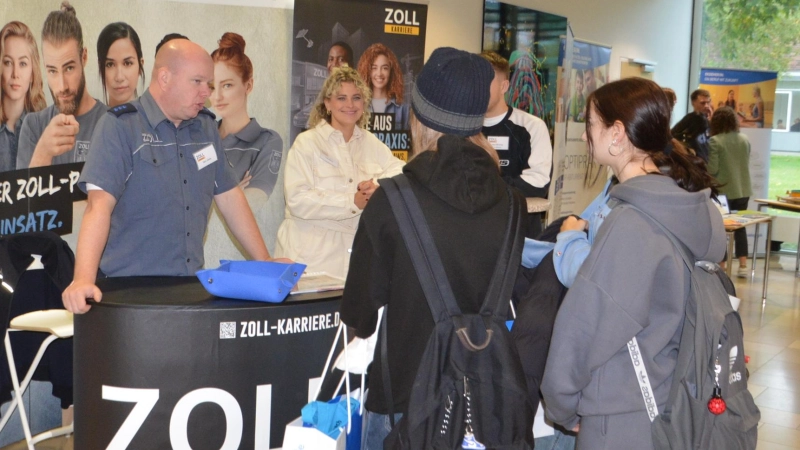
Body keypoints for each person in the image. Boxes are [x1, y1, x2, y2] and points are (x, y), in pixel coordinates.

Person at [340, 47, 533, 449]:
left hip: (401, 405)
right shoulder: (513, 204)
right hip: (485, 409)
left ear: (419, 114)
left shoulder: (391, 200)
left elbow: (359, 311)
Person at [541, 77, 725, 449]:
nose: (583, 136)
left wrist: (560, 406)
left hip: (621, 415)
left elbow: (583, 329)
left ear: (617, 134)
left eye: (590, 125)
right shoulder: (695, 208)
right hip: (676, 402)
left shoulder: (630, 223)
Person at [61, 39, 279, 314]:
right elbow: (97, 207)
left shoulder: (206, 128)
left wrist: (265, 261)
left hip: (190, 288)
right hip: (128, 293)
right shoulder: (121, 127)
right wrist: (82, 279)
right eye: (198, 82)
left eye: (209, 84)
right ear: (164, 78)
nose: (206, 93)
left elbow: (229, 196)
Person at [275, 66, 404, 279]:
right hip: (310, 262)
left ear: (364, 103)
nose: (350, 105)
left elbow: (399, 169)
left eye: (356, 97)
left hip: (355, 263)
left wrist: (376, 185)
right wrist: (351, 202)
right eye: (341, 98)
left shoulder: (372, 144)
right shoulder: (307, 144)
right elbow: (297, 200)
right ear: (327, 103)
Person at [206, 32, 285, 260]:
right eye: (212, 86)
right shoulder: (202, 137)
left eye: (227, 85)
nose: (217, 96)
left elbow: (252, 204)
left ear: (248, 85)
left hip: (245, 260)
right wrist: (232, 191)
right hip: (197, 262)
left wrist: (211, 195)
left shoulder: (267, 141)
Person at [16, 1, 106, 168]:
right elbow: (23, 194)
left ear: (84, 57)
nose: (62, 85)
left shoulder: (110, 122)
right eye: (52, 71)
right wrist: (43, 151)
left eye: (69, 68)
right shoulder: (33, 127)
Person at [480, 51, 552, 237]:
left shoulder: (531, 127)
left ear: (504, 86)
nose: (478, 88)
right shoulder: (462, 128)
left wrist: (484, 185)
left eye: (486, 82)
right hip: (476, 233)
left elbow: (538, 183)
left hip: (519, 235)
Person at [708, 106, 752, 277]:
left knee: (720, 228)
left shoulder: (715, 141)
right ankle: (743, 265)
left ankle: (723, 264)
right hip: (743, 189)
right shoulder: (744, 139)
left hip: (723, 191)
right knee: (740, 227)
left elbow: (712, 168)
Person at [1, 21, 46, 172]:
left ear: (33, 73)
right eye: (7, 62)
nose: (15, 74)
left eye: (23, 64)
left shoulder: (44, 127)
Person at [357, 43, 409, 130]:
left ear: (391, 72)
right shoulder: (359, 106)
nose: (379, 73)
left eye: (385, 68)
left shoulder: (402, 108)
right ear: (367, 71)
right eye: (374, 68)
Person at [97, 22, 144, 108]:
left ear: (140, 66)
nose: (119, 77)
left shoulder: (156, 119)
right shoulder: (95, 121)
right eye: (110, 64)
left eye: (127, 63)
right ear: (100, 67)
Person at [671, 88, 711, 161]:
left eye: (708, 102)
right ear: (693, 103)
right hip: (695, 161)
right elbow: (672, 135)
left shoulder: (707, 120)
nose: (706, 106)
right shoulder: (689, 119)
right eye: (702, 103)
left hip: (707, 161)